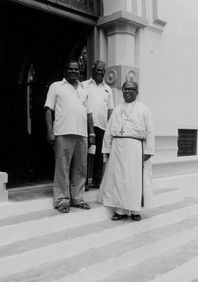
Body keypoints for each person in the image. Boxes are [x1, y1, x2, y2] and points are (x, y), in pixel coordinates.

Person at [98, 80, 154, 221]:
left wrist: (148, 150)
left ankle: (135, 210)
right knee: (119, 180)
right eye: (125, 89)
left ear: (137, 92)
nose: (127, 92)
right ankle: (120, 210)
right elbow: (109, 131)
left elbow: (150, 132)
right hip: (118, 149)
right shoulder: (117, 109)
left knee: (133, 180)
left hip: (136, 149)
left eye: (130, 89)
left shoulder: (144, 109)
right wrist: (107, 149)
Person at [44, 60, 95, 213]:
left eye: (76, 69)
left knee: (81, 168)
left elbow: (89, 113)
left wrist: (91, 132)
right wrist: (50, 131)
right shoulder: (56, 86)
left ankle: (77, 199)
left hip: (82, 134)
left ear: (80, 71)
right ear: (65, 71)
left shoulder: (84, 88)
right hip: (62, 132)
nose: (73, 71)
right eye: (70, 69)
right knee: (62, 168)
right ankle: (62, 200)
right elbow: (48, 110)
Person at [83, 60, 114, 190]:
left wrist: (111, 129)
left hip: (102, 126)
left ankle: (97, 181)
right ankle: (83, 182)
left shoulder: (108, 89)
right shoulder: (83, 85)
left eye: (102, 70)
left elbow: (110, 110)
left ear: (104, 72)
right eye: (97, 69)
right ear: (92, 70)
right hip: (85, 125)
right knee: (84, 154)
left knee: (99, 155)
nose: (99, 72)